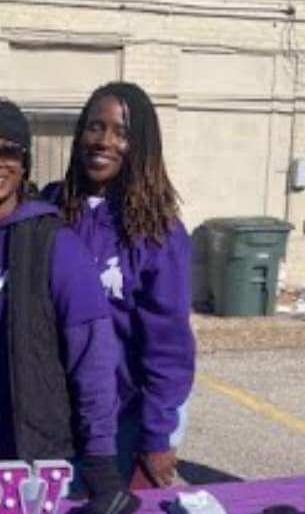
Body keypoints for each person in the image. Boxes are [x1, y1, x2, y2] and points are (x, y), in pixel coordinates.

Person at [0, 98, 129, 514]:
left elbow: (93, 356)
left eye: (9, 151)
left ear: (24, 163)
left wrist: (101, 460)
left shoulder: (56, 245)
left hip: (39, 458)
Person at [46, 82, 195, 489]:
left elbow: (168, 346)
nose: (104, 141)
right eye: (95, 127)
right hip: (48, 417)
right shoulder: (49, 209)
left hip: (118, 423)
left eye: (121, 132)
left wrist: (159, 435)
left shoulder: (157, 232)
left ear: (141, 144)